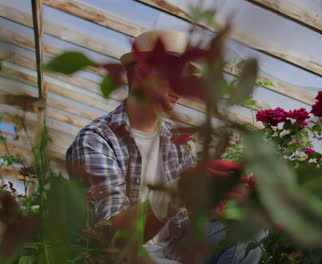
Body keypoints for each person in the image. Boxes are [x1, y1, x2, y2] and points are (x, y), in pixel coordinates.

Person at [66, 30, 262, 263]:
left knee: (250, 231)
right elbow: (110, 236)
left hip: (174, 246)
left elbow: (192, 209)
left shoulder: (173, 138)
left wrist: (219, 199)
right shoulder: (96, 140)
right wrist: (177, 191)